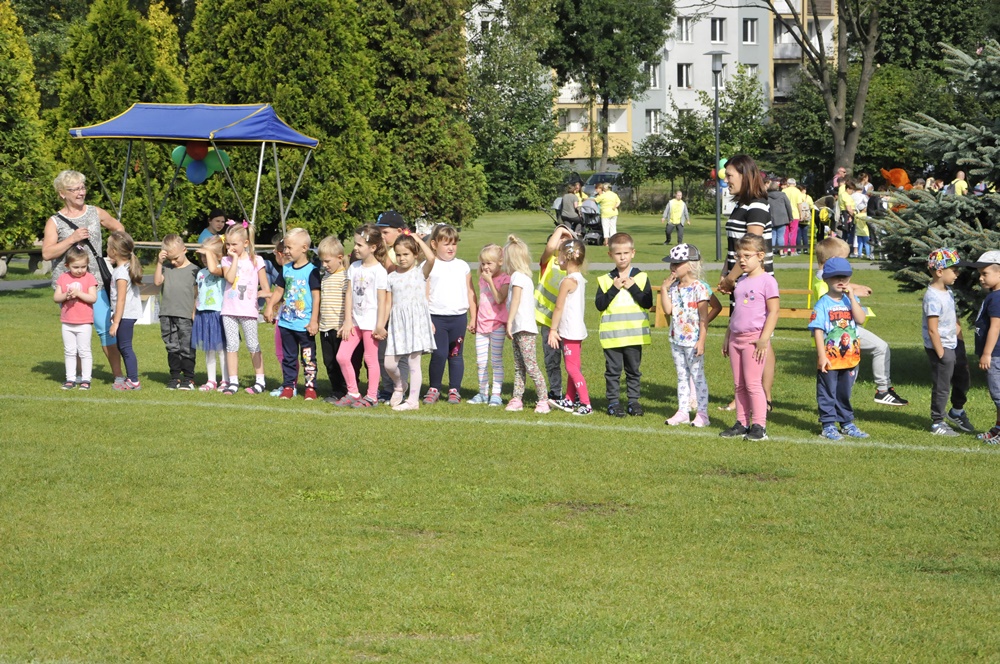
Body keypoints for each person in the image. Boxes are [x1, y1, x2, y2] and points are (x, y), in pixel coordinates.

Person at [42, 170, 125, 385]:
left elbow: (118, 228)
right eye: (75, 189)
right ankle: (79, 376)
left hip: (95, 283)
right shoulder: (54, 221)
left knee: (104, 329)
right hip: (68, 285)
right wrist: (71, 239)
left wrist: (115, 252)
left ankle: (118, 376)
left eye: (82, 187)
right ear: (62, 193)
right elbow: (47, 253)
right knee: (76, 329)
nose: (81, 192)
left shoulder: (95, 212)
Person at [812, 237, 908, 406]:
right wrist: (855, 291)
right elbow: (830, 295)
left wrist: (856, 288)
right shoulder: (823, 282)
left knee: (851, 369)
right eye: (843, 260)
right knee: (878, 348)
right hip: (839, 333)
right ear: (832, 261)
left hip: (847, 329)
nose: (846, 265)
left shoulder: (825, 278)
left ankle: (843, 404)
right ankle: (882, 390)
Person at [718, 154, 776, 411]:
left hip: (754, 283)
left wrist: (731, 278)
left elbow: (751, 248)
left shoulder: (757, 206)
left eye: (730, 175)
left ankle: (764, 396)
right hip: (739, 282)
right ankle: (745, 394)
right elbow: (735, 247)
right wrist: (725, 274)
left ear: (745, 175)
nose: (726, 180)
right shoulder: (741, 205)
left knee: (760, 338)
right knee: (742, 335)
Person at [720, 234, 779, 440]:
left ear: (760, 256)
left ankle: (759, 426)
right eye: (739, 256)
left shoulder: (768, 281)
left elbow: (773, 312)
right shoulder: (741, 281)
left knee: (753, 384)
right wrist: (728, 335)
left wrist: (764, 339)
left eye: (747, 256)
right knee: (739, 384)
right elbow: (737, 312)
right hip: (736, 338)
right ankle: (742, 423)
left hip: (754, 340)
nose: (741, 260)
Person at [808, 257, 869, 440]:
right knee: (827, 392)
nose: (841, 280)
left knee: (844, 392)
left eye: (845, 277)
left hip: (850, 358)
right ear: (826, 279)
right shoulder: (823, 304)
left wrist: (852, 297)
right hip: (830, 358)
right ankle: (828, 425)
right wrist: (821, 356)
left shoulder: (851, 300)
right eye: (836, 277)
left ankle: (846, 423)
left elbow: (861, 319)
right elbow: (817, 330)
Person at [594, 232, 652, 417]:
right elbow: (599, 305)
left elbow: (647, 302)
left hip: (634, 336)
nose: (622, 257)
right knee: (613, 372)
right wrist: (614, 288)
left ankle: (633, 402)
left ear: (633, 253)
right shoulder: (605, 280)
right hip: (613, 337)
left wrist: (632, 287)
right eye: (618, 254)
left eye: (626, 253)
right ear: (610, 255)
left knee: (633, 371)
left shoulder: (641, 277)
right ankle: (613, 402)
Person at [380, 233, 437, 411]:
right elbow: (388, 303)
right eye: (398, 254)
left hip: (416, 324)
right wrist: (381, 325)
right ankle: (400, 385)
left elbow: (431, 258)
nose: (402, 258)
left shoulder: (419, 273)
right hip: (398, 325)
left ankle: (413, 401)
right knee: (389, 364)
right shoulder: (391, 277)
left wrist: (418, 240)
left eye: (406, 254)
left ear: (415, 255)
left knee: (414, 363)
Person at [334, 224, 388, 407]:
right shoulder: (354, 267)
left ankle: (372, 396)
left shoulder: (379, 271)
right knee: (342, 356)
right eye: (355, 244)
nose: (355, 248)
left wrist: (380, 325)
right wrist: (348, 320)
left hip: (371, 324)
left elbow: (382, 301)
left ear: (373, 247)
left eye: (359, 245)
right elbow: (349, 294)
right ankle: (353, 392)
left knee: (370, 360)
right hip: (355, 322)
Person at [264, 228, 321, 401]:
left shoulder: (312, 271)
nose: (286, 251)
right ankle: (289, 385)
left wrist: (314, 321)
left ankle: (310, 387)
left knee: (308, 358)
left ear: (304, 248)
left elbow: (316, 297)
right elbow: (279, 291)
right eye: (285, 247)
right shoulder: (286, 269)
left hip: (304, 325)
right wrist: (270, 307)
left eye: (289, 247)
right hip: (286, 323)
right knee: (288, 357)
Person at [423, 224, 476, 404]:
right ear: (434, 244)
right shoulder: (429, 265)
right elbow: (424, 294)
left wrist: (473, 317)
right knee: (438, 354)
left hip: (458, 319)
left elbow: (470, 292)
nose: (451, 248)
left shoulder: (462, 266)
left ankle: (454, 390)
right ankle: (434, 388)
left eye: (454, 243)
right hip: (436, 318)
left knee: (455, 354)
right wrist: (426, 318)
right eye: (446, 244)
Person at [923, 248, 974, 436]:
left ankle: (957, 411)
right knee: (942, 386)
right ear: (939, 271)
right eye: (954, 270)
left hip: (954, 343)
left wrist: (959, 340)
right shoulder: (932, 297)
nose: (957, 274)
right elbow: (932, 329)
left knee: (963, 377)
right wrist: (941, 353)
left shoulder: (948, 291)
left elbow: (954, 318)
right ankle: (937, 422)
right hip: (941, 346)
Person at [661, 243, 713, 428]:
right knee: (682, 376)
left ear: (691, 265)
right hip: (676, 339)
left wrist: (701, 341)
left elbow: (704, 318)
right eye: (672, 263)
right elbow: (668, 310)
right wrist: (664, 289)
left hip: (693, 341)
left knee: (697, 376)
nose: (673, 267)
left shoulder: (699, 288)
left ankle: (702, 414)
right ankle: (683, 411)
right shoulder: (674, 287)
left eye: (677, 263)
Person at [216, 221, 270, 395]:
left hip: (248, 310)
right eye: (228, 244)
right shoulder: (226, 260)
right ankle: (233, 381)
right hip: (229, 310)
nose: (230, 248)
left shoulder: (257, 260)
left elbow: (266, 287)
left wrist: (266, 300)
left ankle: (260, 380)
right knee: (232, 346)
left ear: (245, 243)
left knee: (253, 344)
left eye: (234, 244)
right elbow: (230, 278)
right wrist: (235, 259)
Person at [504, 235, 550, 413]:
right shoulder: (523, 277)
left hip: (524, 328)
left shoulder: (517, 277)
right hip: (519, 328)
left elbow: (516, 300)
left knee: (530, 366)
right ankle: (517, 398)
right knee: (519, 366)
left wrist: (509, 322)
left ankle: (543, 399)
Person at [547, 238, 592, 416]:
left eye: (559, 254)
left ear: (566, 257)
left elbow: (559, 307)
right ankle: (569, 399)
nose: (557, 258)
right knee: (574, 366)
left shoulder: (567, 281)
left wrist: (553, 330)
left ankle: (586, 404)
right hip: (576, 330)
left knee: (572, 368)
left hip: (570, 331)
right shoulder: (578, 278)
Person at [154, 234, 199, 390]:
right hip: (167, 314)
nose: (173, 262)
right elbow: (157, 282)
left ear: (184, 250)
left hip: (185, 315)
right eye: (170, 259)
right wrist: (160, 262)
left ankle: (188, 378)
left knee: (187, 347)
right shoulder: (166, 268)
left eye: (176, 258)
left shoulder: (194, 270)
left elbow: (197, 294)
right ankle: (175, 377)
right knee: (172, 346)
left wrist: (194, 312)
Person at [535, 225, 574, 400]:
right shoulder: (548, 261)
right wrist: (561, 228)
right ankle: (556, 391)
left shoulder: (573, 265)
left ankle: (573, 393)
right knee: (551, 359)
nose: (563, 241)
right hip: (548, 321)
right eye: (560, 239)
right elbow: (551, 247)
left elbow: (577, 247)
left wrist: (569, 236)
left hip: (568, 320)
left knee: (571, 360)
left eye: (567, 239)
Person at [375, 210, 410, 402]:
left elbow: (396, 274)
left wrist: (385, 258)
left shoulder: (402, 252)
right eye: (379, 232)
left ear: (399, 231)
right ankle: (388, 387)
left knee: (399, 355)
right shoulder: (384, 250)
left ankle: (400, 386)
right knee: (382, 353)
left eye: (385, 232)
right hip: (384, 307)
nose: (382, 236)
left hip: (400, 309)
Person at [470, 243, 509, 405]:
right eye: (483, 263)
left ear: (500, 262)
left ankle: (496, 394)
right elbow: (481, 300)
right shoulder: (482, 278)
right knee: (481, 362)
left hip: (497, 325)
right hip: (482, 325)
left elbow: (499, 299)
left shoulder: (505, 279)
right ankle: (482, 392)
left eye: (489, 263)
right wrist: (474, 319)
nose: (485, 267)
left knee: (496, 361)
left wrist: (490, 282)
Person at [53, 246, 98, 390]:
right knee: (69, 351)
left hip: (84, 322)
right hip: (67, 322)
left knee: (84, 351)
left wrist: (78, 294)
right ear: (67, 265)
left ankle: (86, 379)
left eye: (83, 267)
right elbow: (56, 297)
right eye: (76, 267)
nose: (80, 270)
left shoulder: (89, 278)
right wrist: (66, 295)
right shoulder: (63, 278)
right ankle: (70, 379)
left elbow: (93, 298)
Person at [969, 250, 1000, 443]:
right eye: (980, 274)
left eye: (985, 274)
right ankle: (998, 429)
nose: (981, 278)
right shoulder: (993, 295)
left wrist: (987, 353)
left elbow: (996, 326)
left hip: (996, 355)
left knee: (999, 396)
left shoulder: (997, 298)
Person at [107, 231, 144, 391]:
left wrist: (116, 322)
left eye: (108, 246)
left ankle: (133, 381)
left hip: (126, 315)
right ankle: (131, 378)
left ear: (114, 251)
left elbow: (121, 299)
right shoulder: (124, 267)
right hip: (125, 314)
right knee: (123, 347)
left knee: (125, 347)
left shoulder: (121, 272)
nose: (106, 249)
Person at [192, 236, 228, 391]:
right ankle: (211, 380)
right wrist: (194, 311)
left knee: (221, 349)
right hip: (203, 314)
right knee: (209, 349)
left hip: (218, 313)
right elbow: (198, 294)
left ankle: (226, 380)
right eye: (202, 255)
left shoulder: (222, 269)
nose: (203, 258)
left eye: (207, 255)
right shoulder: (200, 273)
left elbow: (215, 271)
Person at [316, 236, 349, 403]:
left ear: (340, 258)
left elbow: (348, 302)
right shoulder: (325, 277)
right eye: (322, 261)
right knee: (328, 361)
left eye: (327, 261)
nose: (324, 265)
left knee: (341, 360)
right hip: (325, 327)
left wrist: (346, 323)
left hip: (339, 327)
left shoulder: (345, 277)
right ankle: (335, 389)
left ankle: (345, 389)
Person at [768, 178, 794, 258]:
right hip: (782, 218)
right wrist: (790, 217)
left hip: (771, 217)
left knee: (773, 235)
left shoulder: (767, 196)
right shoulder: (782, 195)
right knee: (781, 236)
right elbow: (788, 206)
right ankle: (781, 252)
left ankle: (772, 252)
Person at [782, 178, 803, 255]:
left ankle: (785, 250)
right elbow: (799, 204)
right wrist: (801, 214)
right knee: (793, 233)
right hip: (795, 214)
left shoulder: (784, 191)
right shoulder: (797, 191)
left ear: (787, 184)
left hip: (785, 214)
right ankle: (792, 250)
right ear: (795, 184)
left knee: (785, 233)